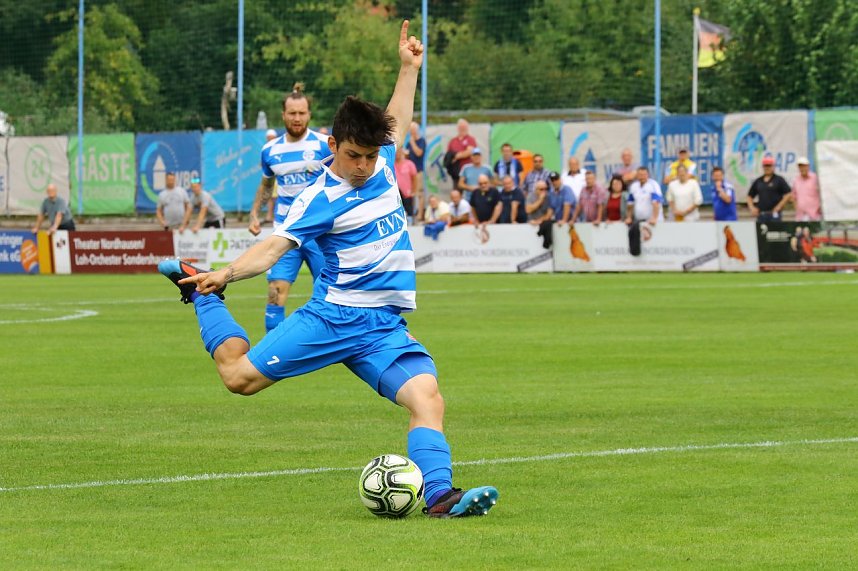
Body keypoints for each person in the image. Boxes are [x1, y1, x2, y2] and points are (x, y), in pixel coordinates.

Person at [157, 21, 497, 519]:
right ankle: (204, 297)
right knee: (237, 377)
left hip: (382, 326)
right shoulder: (319, 198)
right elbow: (272, 249)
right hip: (334, 318)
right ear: (333, 144)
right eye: (354, 155)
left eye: (371, 155)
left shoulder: (382, 163)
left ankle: (441, 498)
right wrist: (224, 275)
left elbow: (398, 119)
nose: (363, 165)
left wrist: (409, 68)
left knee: (428, 399)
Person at [247, 83, 332, 333]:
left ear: (309, 115)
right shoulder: (270, 150)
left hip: (320, 234)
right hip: (285, 231)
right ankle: (272, 352)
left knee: (332, 295)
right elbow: (266, 184)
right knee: (275, 294)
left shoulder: (325, 145)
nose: (297, 118)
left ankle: (330, 347)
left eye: (302, 113)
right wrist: (254, 214)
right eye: (292, 113)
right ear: (283, 115)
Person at [747, 155, 791, 222]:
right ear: (763, 167)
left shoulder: (779, 180)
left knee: (775, 228)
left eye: (769, 165)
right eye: (766, 166)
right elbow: (749, 196)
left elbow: (788, 194)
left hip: (775, 214)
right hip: (761, 214)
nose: (767, 168)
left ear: (773, 166)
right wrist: (752, 207)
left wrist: (779, 206)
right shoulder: (758, 181)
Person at [446, 118, 477, 190]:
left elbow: (469, 152)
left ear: (467, 128)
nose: (462, 128)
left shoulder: (470, 139)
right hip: (456, 173)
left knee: (470, 190)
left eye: (464, 127)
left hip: (468, 172)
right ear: (457, 128)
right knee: (456, 192)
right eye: (461, 127)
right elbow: (448, 156)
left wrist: (456, 156)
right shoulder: (453, 141)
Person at [406, 121, 426, 221]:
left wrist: (412, 142)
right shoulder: (408, 143)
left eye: (413, 129)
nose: (411, 132)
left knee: (419, 193)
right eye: (410, 130)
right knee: (411, 193)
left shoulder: (421, 141)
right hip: (410, 173)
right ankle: (412, 214)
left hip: (418, 172)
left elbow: (419, 153)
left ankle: (420, 215)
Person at [792, 156, 822, 221]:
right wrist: (797, 208)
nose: (802, 168)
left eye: (804, 166)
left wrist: (820, 208)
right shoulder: (796, 180)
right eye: (800, 166)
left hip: (814, 216)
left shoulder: (815, 178)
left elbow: (822, 194)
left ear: (808, 166)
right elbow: (794, 197)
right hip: (800, 216)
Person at [394, 146, 418, 221]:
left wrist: (414, 191)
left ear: (402, 152)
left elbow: (415, 178)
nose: (397, 154)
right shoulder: (391, 164)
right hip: (395, 194)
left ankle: (411, 221)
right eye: (396, 152)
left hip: (407, 193)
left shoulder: (409, 164)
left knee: (409, 211)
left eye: (399, 152)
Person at [263, 129, 278, 224]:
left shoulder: (280, 148)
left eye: (272, 138)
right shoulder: (266, 149)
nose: (270, 139)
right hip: (270, 176)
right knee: (270, 195)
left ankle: (274, 215)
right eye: (269, 138)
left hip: (278, 176)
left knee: (276, 196)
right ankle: (269, 215)